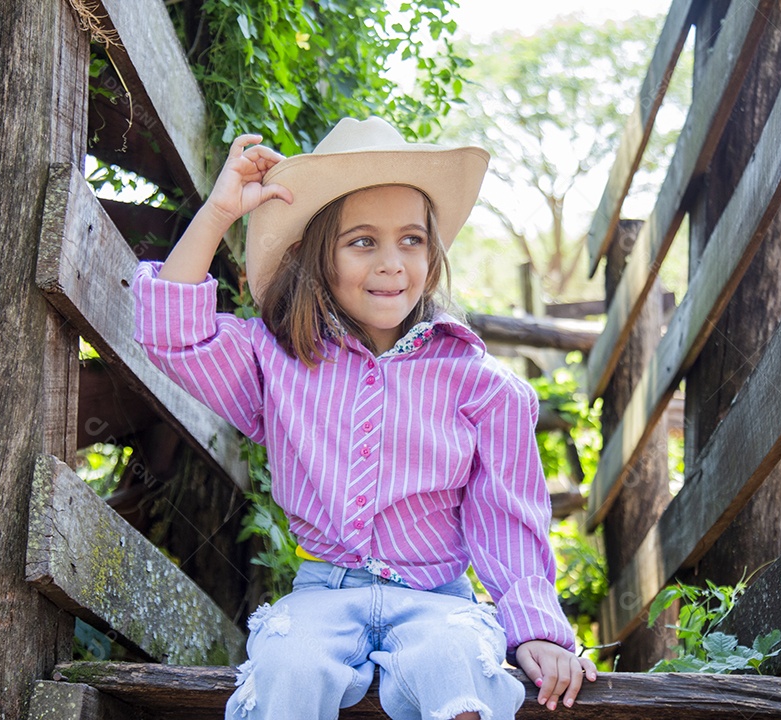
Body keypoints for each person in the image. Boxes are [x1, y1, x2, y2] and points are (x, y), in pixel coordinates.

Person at [132, 116, 597, 719]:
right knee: (286, 674)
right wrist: (219, 213)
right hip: (322, 597)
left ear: (433, 253)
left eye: (412, 240)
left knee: (460, 677)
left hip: (437, 599)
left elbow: (507, 519)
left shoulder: (484, 386)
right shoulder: (276, 361)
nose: (392, 263)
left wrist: (536, 629)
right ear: (316, 255)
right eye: (362, 241)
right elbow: (173, 334)